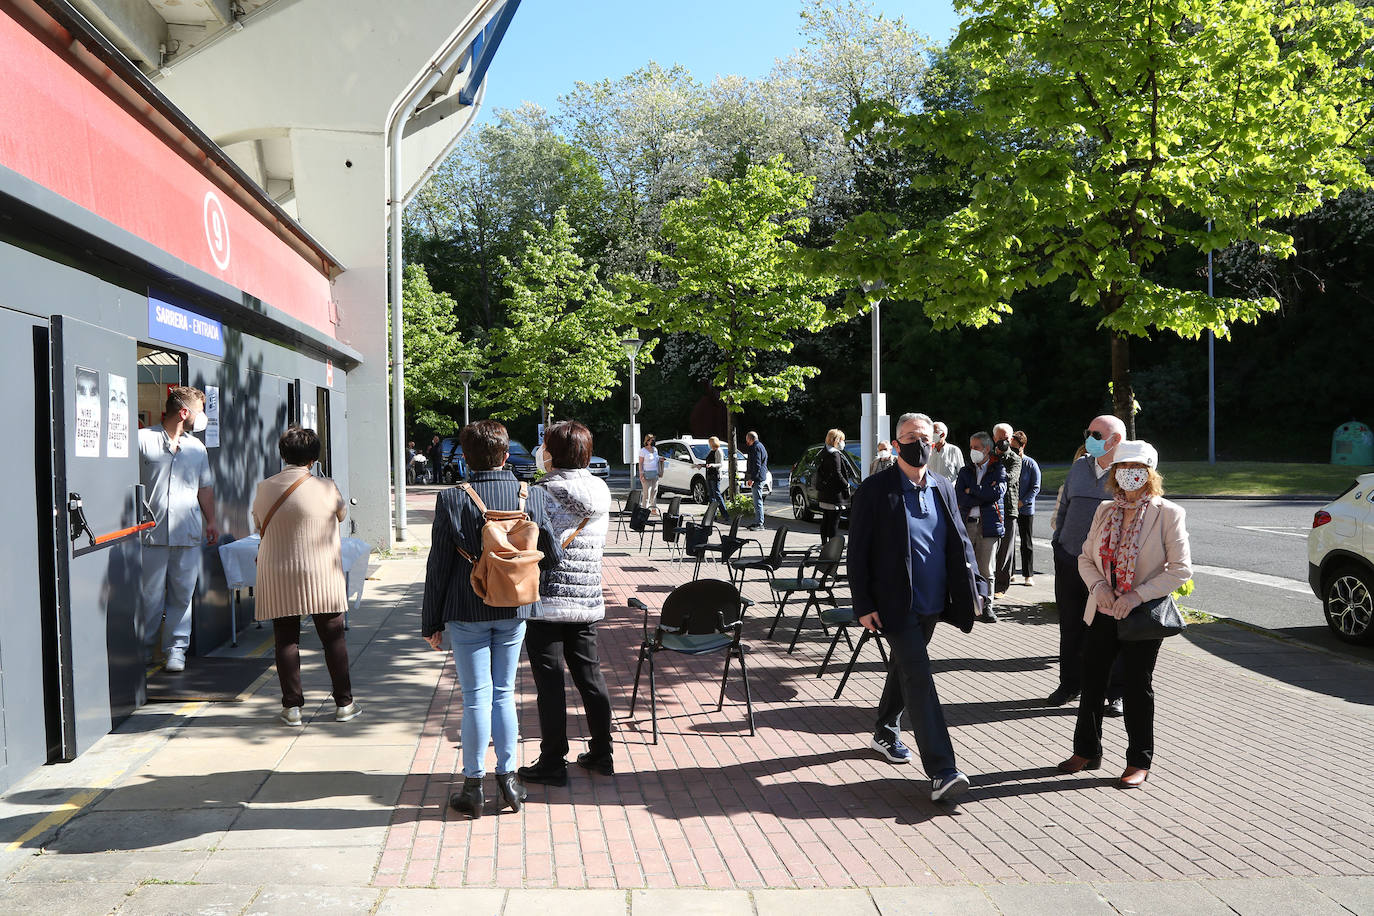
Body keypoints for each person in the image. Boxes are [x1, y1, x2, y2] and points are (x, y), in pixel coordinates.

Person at [423, 420, 562, 818]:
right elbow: (552, 556)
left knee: (475, 698)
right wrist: (531, 589)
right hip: (515, 608)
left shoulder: (452, 498)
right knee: (504, 693)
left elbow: (438, 567)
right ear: (505, 456)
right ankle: (509, 780)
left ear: (464, 458)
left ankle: (473, 786)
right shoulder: (528, 494)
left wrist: (431, 621)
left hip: (466, 608)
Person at [850, 412, 984, 803]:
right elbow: (857, 554)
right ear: (896, 444)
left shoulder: (943, 485)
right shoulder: (875, 489)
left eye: (923, 436)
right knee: (920, 676)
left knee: (905, 667)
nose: (917, 442)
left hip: (932, 602)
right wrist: (863, 603)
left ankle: (884, 730)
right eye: (909, 436)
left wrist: (976, 586)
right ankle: (943, 770)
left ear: (935, 440)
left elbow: (959, 541)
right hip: (894, 604)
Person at [1059, 440, 1191, 788]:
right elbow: (1086, 558)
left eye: (1136, 469)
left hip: (1141, 614)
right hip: (1102, 608)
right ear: (1114, 474)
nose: (1129, 475)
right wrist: (1099, 588)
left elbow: (1180, 571)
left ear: (1149, 473)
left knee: (1136, 686)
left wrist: (1135, 596)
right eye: (1122, 469)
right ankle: (1086, 751)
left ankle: (1138, 760)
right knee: (1092, 682)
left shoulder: (1168, 514)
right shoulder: (1105, 510)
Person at [518, 421, 615, 787]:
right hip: (586, 598)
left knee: (550, 684)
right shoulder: (601, 490)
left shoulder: (539, 493)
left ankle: (553, 760)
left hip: (546, 600)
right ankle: (602, 752)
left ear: (551, 452)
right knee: (591, 677)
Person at [251, 427, 358, 726]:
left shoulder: (265, 487)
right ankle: (344, 703)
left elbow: (258, 521)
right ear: (313, 458)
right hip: (322, 571)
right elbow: (341, 515)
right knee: (333, 637)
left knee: (286, 639)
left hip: (278, 570)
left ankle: (292, 707)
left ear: (282, 454)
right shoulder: (327, 487)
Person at [1048, 415, 1129, 712]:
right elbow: (1065, 506)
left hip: (1109, 568)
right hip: (1070, 559)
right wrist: (1059, 543)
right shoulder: (1080, 467)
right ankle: (1070, 684)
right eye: (1088, 432)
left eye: (1096, 434)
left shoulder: (1128, 472)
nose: (1089, 438)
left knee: (1111, 628)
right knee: (1070, 626)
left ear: (1115, 440)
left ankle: (1115, 692)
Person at [138, 386, 218, 673]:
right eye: (199, 411)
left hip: (188, 533)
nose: (203, 417)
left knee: (183, 594)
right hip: (151, 533)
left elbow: (204, 489)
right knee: (149, 595)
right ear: (184, 413)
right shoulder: (142, 440)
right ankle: (145, 648)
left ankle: (176, 649)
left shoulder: (197, 448)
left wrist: (211, 520)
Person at [955, 431, 1006, 623]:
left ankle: (987, 606)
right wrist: (979, 494)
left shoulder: (998, 468)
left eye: (976, 447)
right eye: (971, 447)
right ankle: (968, 605)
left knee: (986, 569)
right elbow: (959, 496)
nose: (972, 451)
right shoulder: (965, 471)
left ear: (986, 449)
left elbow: (996, 493)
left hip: (989, 525)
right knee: (967, 566)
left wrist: (973, 491)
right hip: (967, 524)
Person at [991, 422, 1022, 598]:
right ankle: (988, 581)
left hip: (1008, 508)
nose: (1004, 441)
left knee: (1006, 549)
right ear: (994, 438)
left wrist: (993, 480)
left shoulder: (1015, 459)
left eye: (1007, 438)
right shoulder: (988, 456)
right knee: (988, 546)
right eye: (1000, 438)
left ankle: (1001, 586)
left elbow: (1010, 479)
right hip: (989, 507)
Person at [1012, 430, 1041, 586]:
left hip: (1025, 509)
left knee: (1026, 542)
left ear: (1023, 446)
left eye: (1016, 447)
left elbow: (1035, 487)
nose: (1013, 450)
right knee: (1009, 542)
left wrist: (1023, 502)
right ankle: (1010, 573)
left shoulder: (1030, 464)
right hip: (1010, 508)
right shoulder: (1008, 461)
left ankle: (1028, 575)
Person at [815, 428, 850, 542]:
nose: (843, 442)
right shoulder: (835, 454)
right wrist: (846, 485)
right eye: (841, 440)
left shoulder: (824, 453)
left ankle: (824, 544)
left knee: (826, 520)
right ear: (836, 440)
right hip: (834, 495)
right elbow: (837, 473)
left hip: (824, 493)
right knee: (834, 522)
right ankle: (832, 548)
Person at [744, 430, 769, 531]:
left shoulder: (755, 448)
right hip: (760, 476)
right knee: (757, 500)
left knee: (758, 500)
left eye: (747, 440)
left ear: (750, 439)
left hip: (758, 478)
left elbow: (757, 465)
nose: (747, 443)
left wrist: (752, 478)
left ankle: (760, 523)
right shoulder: (761, 446)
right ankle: (757, 522)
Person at [704, 435, 729, 515]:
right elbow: (708, 462)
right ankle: (712, 514)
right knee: (711, 496)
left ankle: (724, 514)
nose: (709, 444)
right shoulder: (711, 451)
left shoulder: (719, 451)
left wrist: (712, 465)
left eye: (710, 442)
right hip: (709, 474)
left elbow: (720, 464)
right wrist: (701, 465)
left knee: (717, 494)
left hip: (715, 475)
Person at [637, 433, 661, 512]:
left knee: (654, 491)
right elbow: (640, 463)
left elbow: (656, 460)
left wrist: (661, 460)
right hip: (646, 474)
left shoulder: (655, 449)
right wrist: (641, 474)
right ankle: (644, 509)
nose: (652, 441)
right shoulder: (643, 451)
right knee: (646, 493)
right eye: (651, 440)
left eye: (653, 440)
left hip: (655, 473)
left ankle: (653, 509)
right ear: (647, 441)